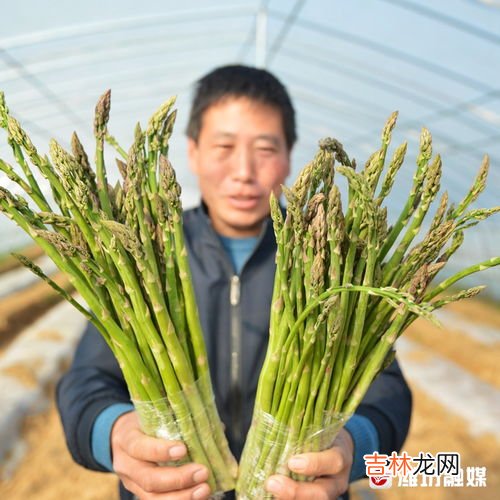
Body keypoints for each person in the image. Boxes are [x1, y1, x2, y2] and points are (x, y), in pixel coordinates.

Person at [57, 65, 412, 500]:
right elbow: (88, 377)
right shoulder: (143, 254)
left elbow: (386, 389)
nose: (244, 171)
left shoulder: (337, 263)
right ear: (192, 152)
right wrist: (116, 434)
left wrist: (354, 446)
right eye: (224, 146)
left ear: (289, 155)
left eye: (265, 148)